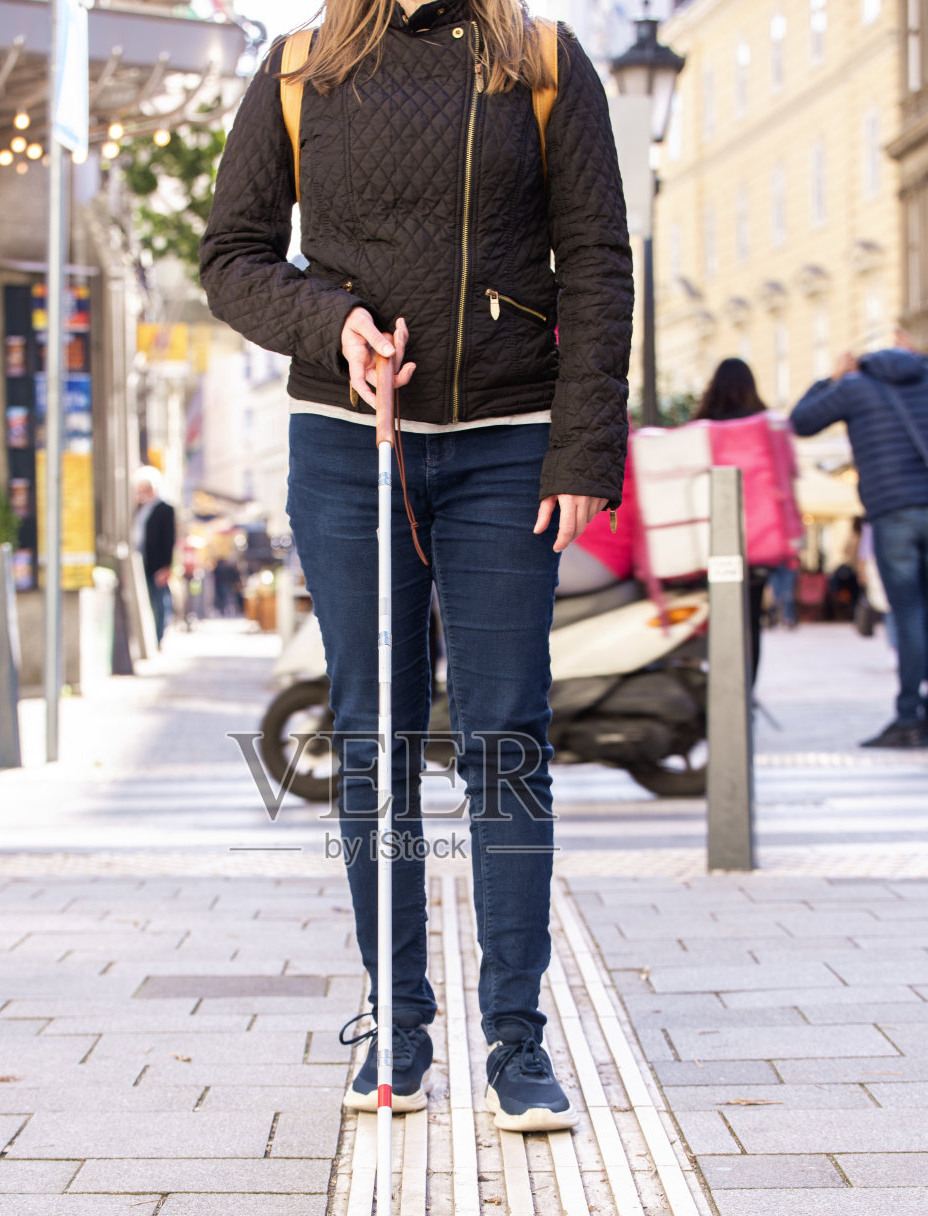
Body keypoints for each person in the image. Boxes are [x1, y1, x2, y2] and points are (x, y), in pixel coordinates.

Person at [200, 0, 632, 1130]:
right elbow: (231, 257)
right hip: (349, 448)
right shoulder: (299, 69)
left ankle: (518, 1041)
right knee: (370, 739)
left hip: (506, 445)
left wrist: (582, 444)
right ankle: (396, 1026)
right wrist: (330, 317)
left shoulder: (540, 63)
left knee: (506, 736)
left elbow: (595, 260)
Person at [791, 347, 928, 747]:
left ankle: (907, 718)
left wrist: (830, 379)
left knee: (908, 614)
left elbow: (801, 421)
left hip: (894, 511)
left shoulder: (855, 386)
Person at [693, 358, 773, 681]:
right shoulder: (764, 426)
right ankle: (744, 701)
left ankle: (717, 692)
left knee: (714, 619)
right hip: (757, 540)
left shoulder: (703, 426)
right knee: (751, 622)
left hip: (710, 539)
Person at [133, 467, 177, 648]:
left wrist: (166, 566)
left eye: (143, 489)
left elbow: (169, 539)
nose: (140, 494)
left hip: (157, 564)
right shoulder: (141, 508)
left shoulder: (165, 509)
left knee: (160, 602)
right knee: (151, 601)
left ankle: (159, 638)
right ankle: (151, 637)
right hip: (142, 562)